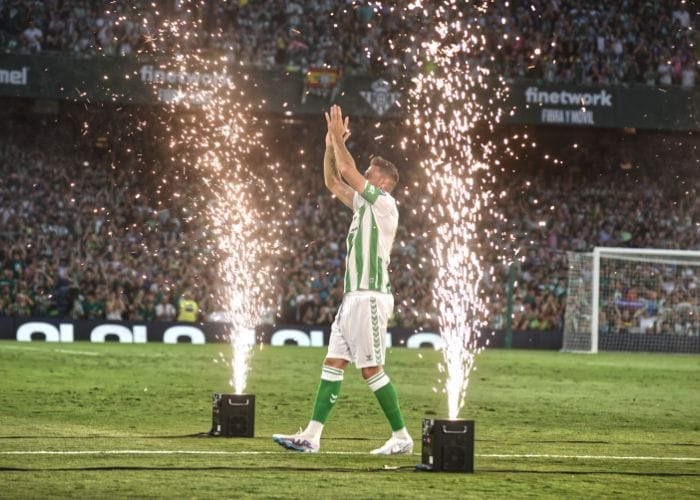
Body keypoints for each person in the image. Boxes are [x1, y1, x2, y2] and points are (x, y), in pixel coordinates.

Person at [273, 105, 411, 455]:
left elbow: (347, 169)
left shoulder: (385, 204)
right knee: (333, 364)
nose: (363, 174)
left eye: (370, 173)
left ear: (381, 182)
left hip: (370, 295)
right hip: (352, 298)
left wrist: (337, 138)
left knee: (370, 370)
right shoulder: (364, 206)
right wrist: (327, 146)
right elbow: (333, 180)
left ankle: (402, 437)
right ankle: (312, 436)